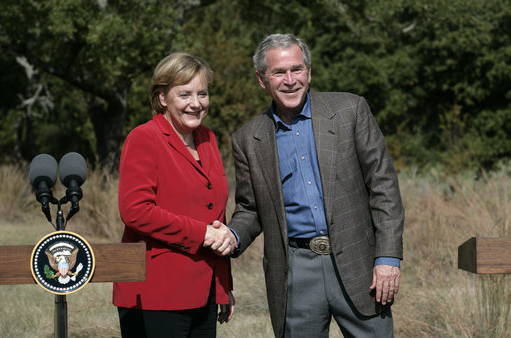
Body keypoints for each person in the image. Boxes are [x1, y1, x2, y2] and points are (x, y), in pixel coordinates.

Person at [224, 33, 405, 337]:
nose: (290, 80)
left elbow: (383, 187)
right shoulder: (247, 139)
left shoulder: (350, 111)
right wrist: (232, 235)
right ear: (261, 79)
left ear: (309, 71)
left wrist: (387, 258)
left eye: (297, 69)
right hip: (295, 272)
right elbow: (251, 209)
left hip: (359, 264)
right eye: (279, 72)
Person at [113, 52, 236, 338]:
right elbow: (136, 211)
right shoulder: (144, 137)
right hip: (156, 293)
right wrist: (202, 234)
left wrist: (223, 285)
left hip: (205, 290)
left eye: (202, 93)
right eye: (185, 94)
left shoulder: (208, 138)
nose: (196, 103)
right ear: (162, 97)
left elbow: (216, 215)